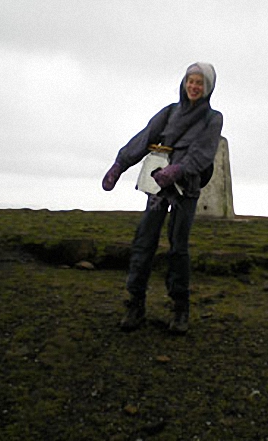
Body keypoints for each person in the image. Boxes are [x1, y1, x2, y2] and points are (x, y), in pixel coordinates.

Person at [101, 62, 223, 334]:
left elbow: (204, 152)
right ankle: (135, 304)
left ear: (208, 88)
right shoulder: (169, 112)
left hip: (186, 187)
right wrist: (119, 165)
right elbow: (145, 137)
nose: (194, 86)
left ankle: (180, 309)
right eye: (190, 81)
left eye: (200, 83)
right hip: (158, 184)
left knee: (178, 246)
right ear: (184, 83)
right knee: (145, 240)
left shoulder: (212, 119)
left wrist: (178, 169)